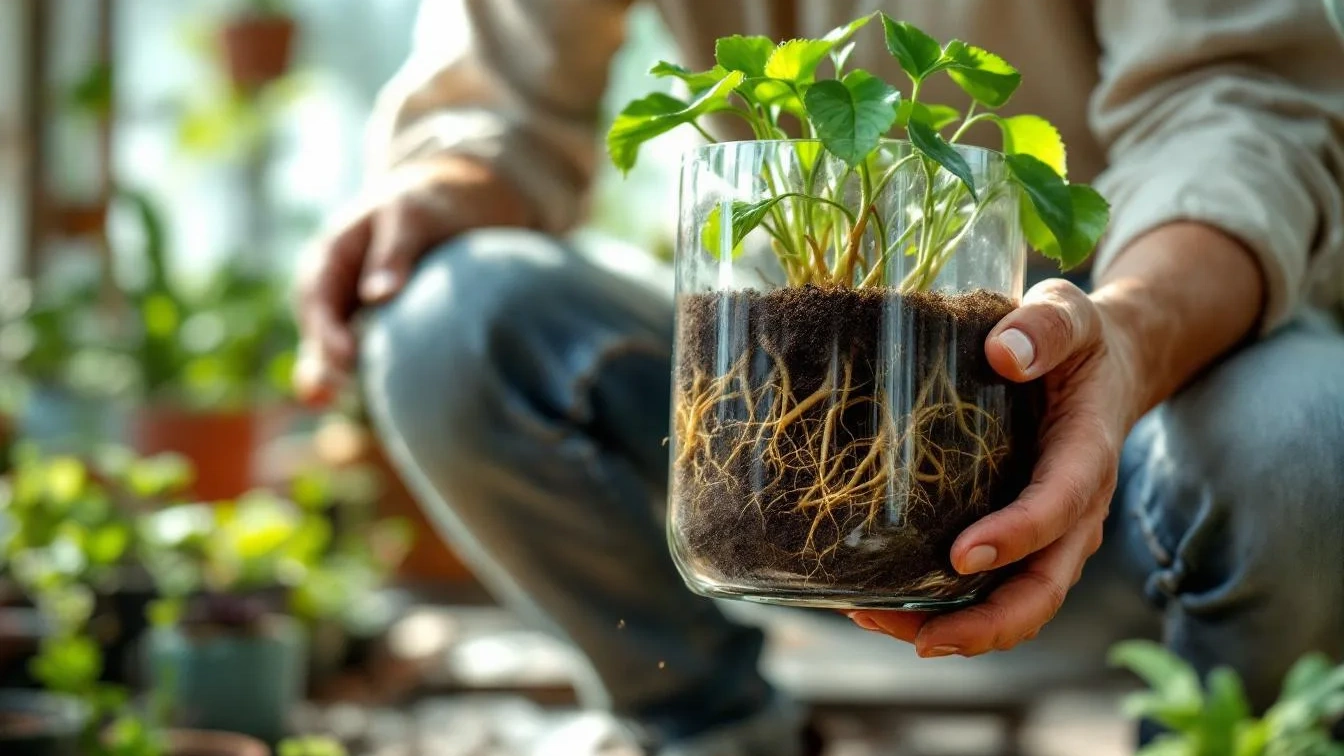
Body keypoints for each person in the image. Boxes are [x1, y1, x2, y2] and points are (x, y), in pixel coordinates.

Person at [295, 1, 1344, 753]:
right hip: (773, 464)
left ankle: (1222, 737)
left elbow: (1238, 100)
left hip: (1143, 410)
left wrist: (1125, 335)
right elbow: (502, 97)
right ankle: (716, 731)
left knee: (1307, 433)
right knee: (452, 318)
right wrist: (438, 189)